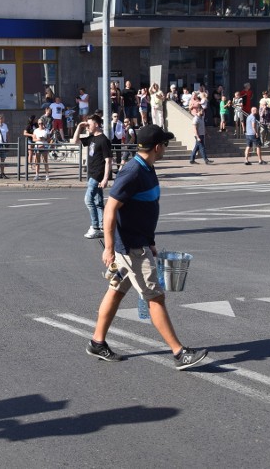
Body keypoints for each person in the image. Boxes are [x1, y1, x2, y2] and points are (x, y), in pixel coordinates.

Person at [87, 124, 209, 370]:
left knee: (117, 291)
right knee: (155, 297)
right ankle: (179, 353)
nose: (165, 147)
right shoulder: (132, 172)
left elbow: (143, 208)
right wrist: (108, 248)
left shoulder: (147, 168)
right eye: (164, 144)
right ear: (156, 147)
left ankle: (97, 342)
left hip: (138, 242)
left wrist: (150, 240)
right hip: (131, 248)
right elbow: (110, 209)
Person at [72, 114, 112, 239]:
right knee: (98, 202)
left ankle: (95, 227)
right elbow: (75, 141)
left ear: (97, 124)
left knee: (88, 199)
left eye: (89, 124)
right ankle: (102, 227)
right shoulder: (91, 138)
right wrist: (79, 126)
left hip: (97, 174)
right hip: (91, 174)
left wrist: (105, 178)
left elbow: (108, 160)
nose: (87, 127)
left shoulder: (103, 140)